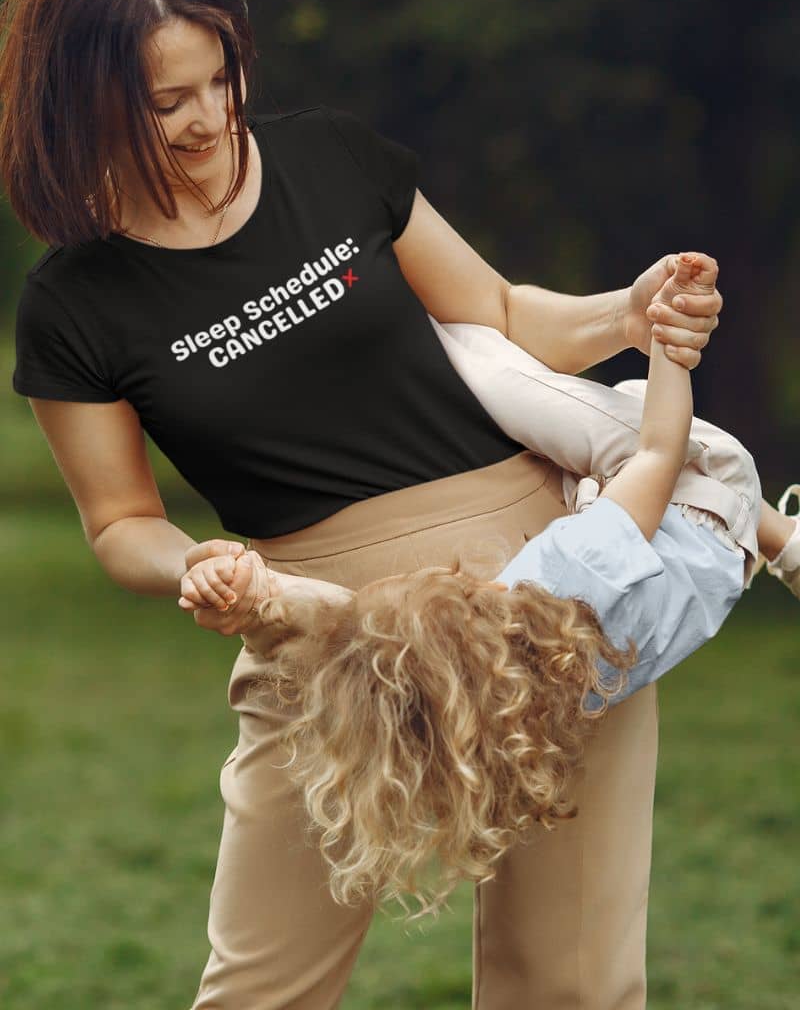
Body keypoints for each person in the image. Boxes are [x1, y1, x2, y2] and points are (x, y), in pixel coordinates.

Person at [4, 0, 726, 1010]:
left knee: (571, 986)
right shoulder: (74, 303)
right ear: (83, 103)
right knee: (259, 990)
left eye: (222, 78)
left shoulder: (330, 159)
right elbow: (116, 524)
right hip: (319, 628)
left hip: (551, 595)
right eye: (168, 103)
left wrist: (623, 313)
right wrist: (194, 563)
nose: (212, 118)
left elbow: (496, 310)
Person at [183, 254, 798, 921]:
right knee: (483, 357)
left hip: (700, 584)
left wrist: (255, 591)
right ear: (472, 613)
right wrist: (671, 345)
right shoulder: (561, 588)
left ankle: (784, 545)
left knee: (554, 451)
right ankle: (781, 537)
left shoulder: (483, 708)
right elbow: (657, 452)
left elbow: (351, 626)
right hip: (708, 497)